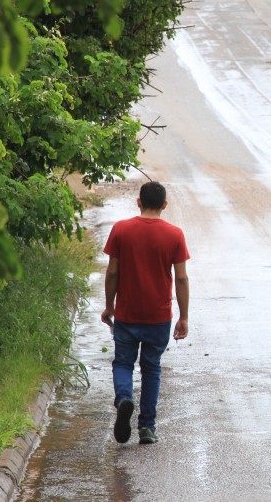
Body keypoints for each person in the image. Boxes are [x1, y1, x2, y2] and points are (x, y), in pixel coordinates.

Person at [101, 180, 190, 445]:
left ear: (138, 201)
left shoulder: (121, 229)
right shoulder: (175, 234)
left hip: (127, 314)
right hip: (159, 316)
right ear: (164, 205)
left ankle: (124, 398)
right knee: (151, 368)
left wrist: (109, 306)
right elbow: (182, 279)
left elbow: (113, 271)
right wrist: (184, 316)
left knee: (123, 363)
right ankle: (147, 428)